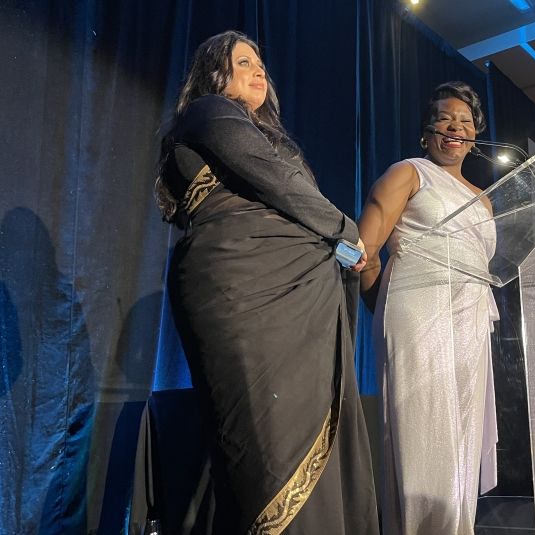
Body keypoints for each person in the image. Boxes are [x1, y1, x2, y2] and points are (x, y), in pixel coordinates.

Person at [154, 31, 378, 534]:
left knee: (301, 430)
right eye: (243, 62)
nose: (259, 71)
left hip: (299, 291)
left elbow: (294, 204)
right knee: (263, 444)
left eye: (261, 64)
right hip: (243, 288)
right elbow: (272, 180)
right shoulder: (209, 112)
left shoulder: (266, 137)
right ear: (216, 73)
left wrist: (344, 251)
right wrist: (349, 232)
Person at [358, 81, 498, 534]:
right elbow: (365, 251)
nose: (456, 127)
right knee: (421, 437)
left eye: (466, 122)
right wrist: (383, 313)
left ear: (476, 136)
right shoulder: (409, 172)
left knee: (460, 439)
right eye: (445, 119)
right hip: (418, 314)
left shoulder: (485, 199)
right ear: (427, 131)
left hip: (472, 322)